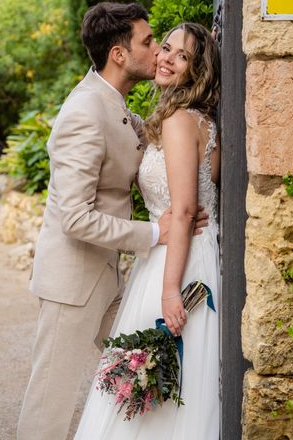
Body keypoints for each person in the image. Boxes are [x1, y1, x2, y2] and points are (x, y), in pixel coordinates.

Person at [16, 3, 207, 440]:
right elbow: (75, 218)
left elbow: (147, 139)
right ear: (119, 54)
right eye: (147, 42)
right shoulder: (84, 111)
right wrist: (157, 232)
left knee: (144, 370)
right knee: (49, 405)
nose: (157, 50)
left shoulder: (113, 102)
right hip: (72, 285)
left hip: (109, 279)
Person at [74, 22, 221, 439]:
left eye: (182, 56)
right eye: (166, 48)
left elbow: (186, 208)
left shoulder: (178, 122)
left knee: (162, 379)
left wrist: (171, 289)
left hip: (176, 262)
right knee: (177, 378)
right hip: (192, 251)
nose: (167, 58)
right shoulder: (198, 121)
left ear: (197, 69)